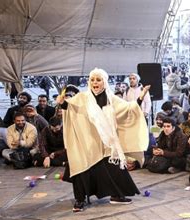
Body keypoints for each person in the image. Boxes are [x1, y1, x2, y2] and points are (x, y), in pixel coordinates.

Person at [57, 68, 148, 212]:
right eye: (92, 80)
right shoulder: (82, 98)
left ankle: (116, 195)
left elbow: (129, 109)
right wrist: (62, 103)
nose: (95, 82)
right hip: (87, 142)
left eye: (98, 80)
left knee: (114, 169)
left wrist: (141, 96)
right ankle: (80, 200)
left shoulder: (111, 99)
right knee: (81, 169)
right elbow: (70, 107)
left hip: (107, 144)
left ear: (104, 82)